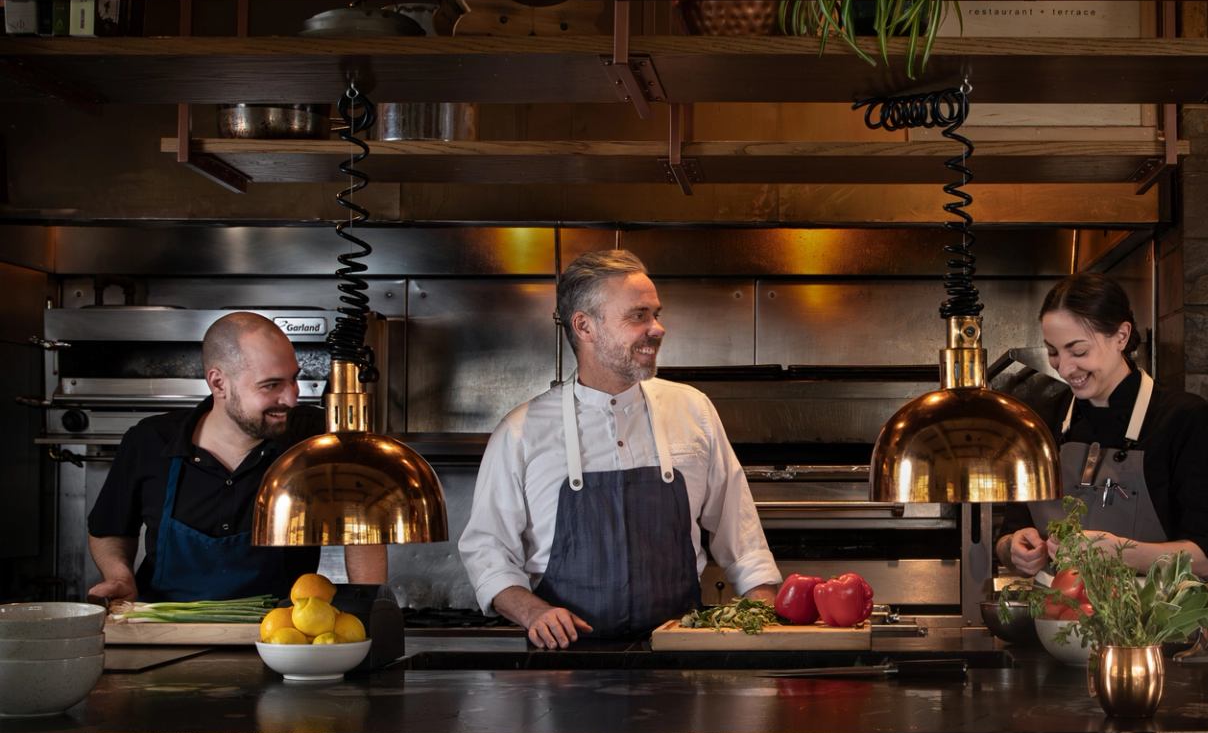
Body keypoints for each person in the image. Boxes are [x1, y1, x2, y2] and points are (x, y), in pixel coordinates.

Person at [460, 249, 780, 649]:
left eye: (656, 313)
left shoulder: (692, 410)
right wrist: (533, 612)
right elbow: (487, 551)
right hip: (563, 668)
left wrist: (764, 620)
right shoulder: (521, 432)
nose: (657, 328)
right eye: (638, 316)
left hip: (679, 661)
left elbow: (743, 539)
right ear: (585, 326)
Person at [86, 312, 387, 604]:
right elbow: (110, 529)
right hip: (164, 632)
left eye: (293, 380)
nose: (292, 398)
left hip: (281, 637)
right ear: (218, 383)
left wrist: (370, 607)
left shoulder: (312, 437)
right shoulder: (150, 441)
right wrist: (120, 576)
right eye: (271, 385)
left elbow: (363, 529)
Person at [996, 273, 1208, 579]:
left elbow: (1207, 557)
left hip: (1149, 621)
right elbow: (1007, 535)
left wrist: (1120, 551)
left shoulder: (1185, 419)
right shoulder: (1040, 421)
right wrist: (1015, 546)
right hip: (1056, 620)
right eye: (1053, 352)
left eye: (1079, 351)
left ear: (1121, 336)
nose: (1065, 368)